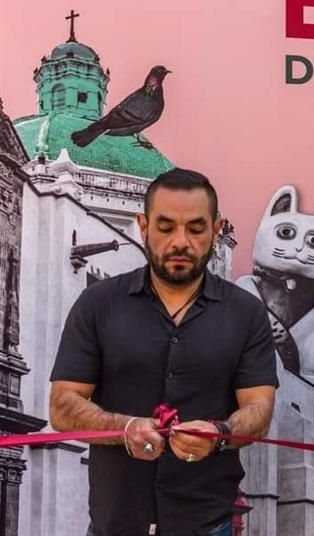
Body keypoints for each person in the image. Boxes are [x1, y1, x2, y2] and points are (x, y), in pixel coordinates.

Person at [49, 168, 278, 536]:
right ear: (143, 225)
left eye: (196, 228)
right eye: (166, 226)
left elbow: (260, 411)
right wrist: (124, 429)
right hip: (115, 523)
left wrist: (219, 433)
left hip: (206, 524)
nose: (180, 241)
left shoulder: (246, 313)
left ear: (216, 231)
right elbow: (63, 406)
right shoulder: (97, 304)